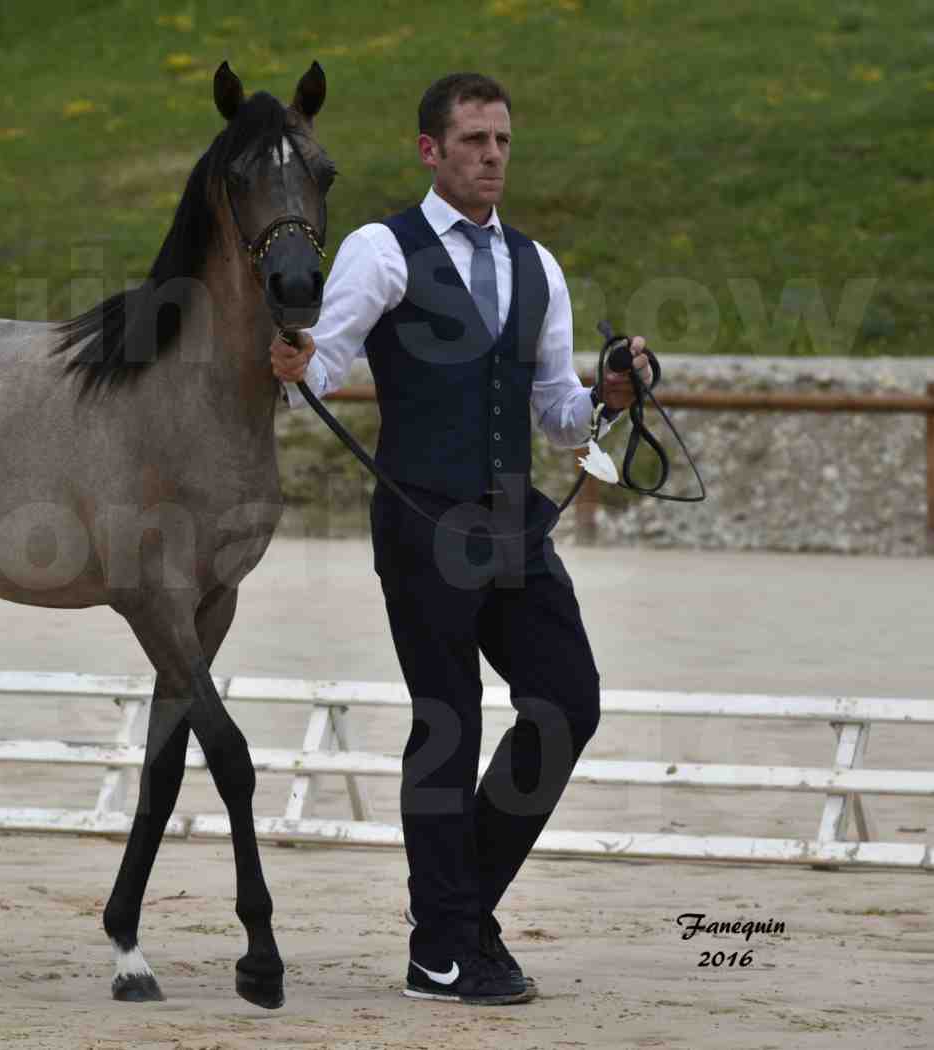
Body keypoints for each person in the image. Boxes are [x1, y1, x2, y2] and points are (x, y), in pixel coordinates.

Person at [268, 72, 654, 1006]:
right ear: (430, 151)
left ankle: (454, 917)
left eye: (502, 142)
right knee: (447, 723)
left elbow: (556, 415)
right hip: (420, 517)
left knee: (567, 702)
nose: (492, 157)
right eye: (474, 140)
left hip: (514, 520)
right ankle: (445, 948)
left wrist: (606, 397)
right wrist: (291, 357)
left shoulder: (538, 264)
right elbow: (326, 355)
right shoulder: (381, 247)